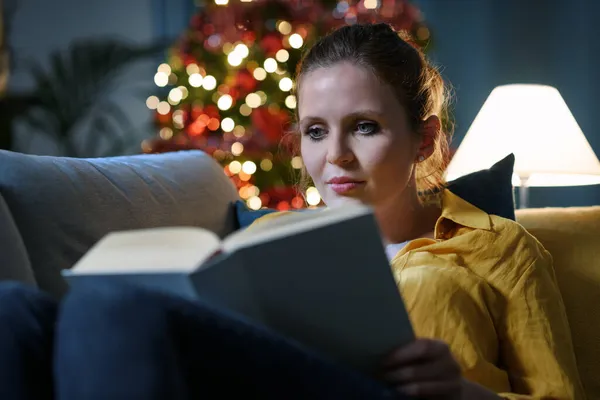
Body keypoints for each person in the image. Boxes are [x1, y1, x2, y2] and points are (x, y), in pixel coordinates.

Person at [0, 23, 584, 400]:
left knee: (112, 308)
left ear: (424, 140)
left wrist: (462, 392)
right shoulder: (270, 239)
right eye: (314, 131)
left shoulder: (498, 246)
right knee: (15, 310)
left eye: (364, 127)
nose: (335, 157)